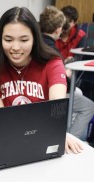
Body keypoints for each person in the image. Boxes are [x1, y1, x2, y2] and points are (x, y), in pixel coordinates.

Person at [0, 6, 83, 154]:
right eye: (8, 39)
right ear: (0, 39)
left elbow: (56, 104)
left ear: (35, 38)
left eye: (24, 40)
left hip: (44, 137)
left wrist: (58, 132)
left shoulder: (52, 62)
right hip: (9, 139)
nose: (15, 47)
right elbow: (0, 116)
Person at [40, 5, 94, 141]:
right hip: (51, 93)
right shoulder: (53, 50)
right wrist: (67, 74)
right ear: (59, 28)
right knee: (88, 106)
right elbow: (63, 83)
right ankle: (70, 140)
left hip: (39, 90)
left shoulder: (36, 43)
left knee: (78, 94)